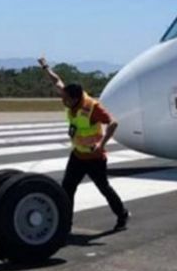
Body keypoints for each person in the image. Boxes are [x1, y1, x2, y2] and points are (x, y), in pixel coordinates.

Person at [38, 57, 130, 231]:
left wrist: (102, 145)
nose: (62, 100)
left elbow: (113, 123)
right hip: (78, 155)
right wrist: (45, 67)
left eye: (65, 98)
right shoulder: (70, 100)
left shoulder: (93, 108)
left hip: (95, 158)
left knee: (104, 188)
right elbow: (57, 81)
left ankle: (122, 214)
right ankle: (66, 224)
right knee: (67, 189)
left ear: (74, 98)